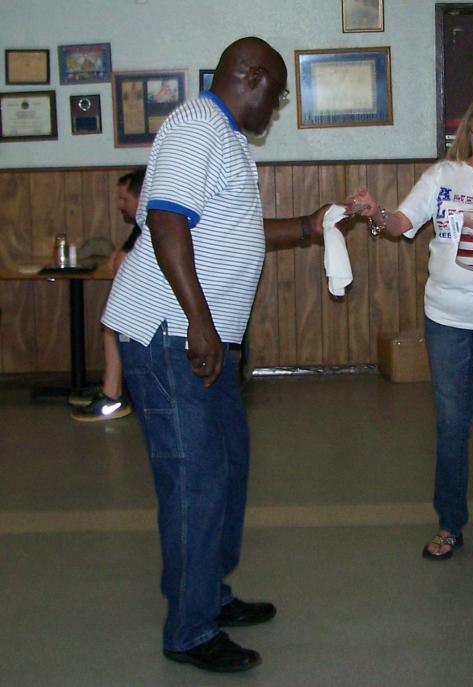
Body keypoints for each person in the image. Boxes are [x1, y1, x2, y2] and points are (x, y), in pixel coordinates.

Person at [102, 37, 330, 673]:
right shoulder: (197, 126)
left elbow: (231, 231)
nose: (277, 107)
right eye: (277, 94)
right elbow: (167, 223)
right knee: (194, 480)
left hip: (202, 341)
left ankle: (209, 592)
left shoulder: (224, 136)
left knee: (226, 466)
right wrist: (200, 326)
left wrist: (310, 225)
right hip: (168, 334)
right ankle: (190, 629)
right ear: (250, 77)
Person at [350, 90, 473, 560]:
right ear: (468, 133)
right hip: (445, 317)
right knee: (452, 423)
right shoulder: (442, 176)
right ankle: (449, 524)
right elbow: (400, 224)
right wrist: (373, 212)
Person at [71, 168, 145, 422]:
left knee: (113, 322)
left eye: (124, 199)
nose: (119, 206)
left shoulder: (150, 223)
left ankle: (113, 396)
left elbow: (120, 263)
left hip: (166, 305)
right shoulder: (142, 224)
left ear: (141, 198)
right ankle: (110, 388)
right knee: (113, 318)